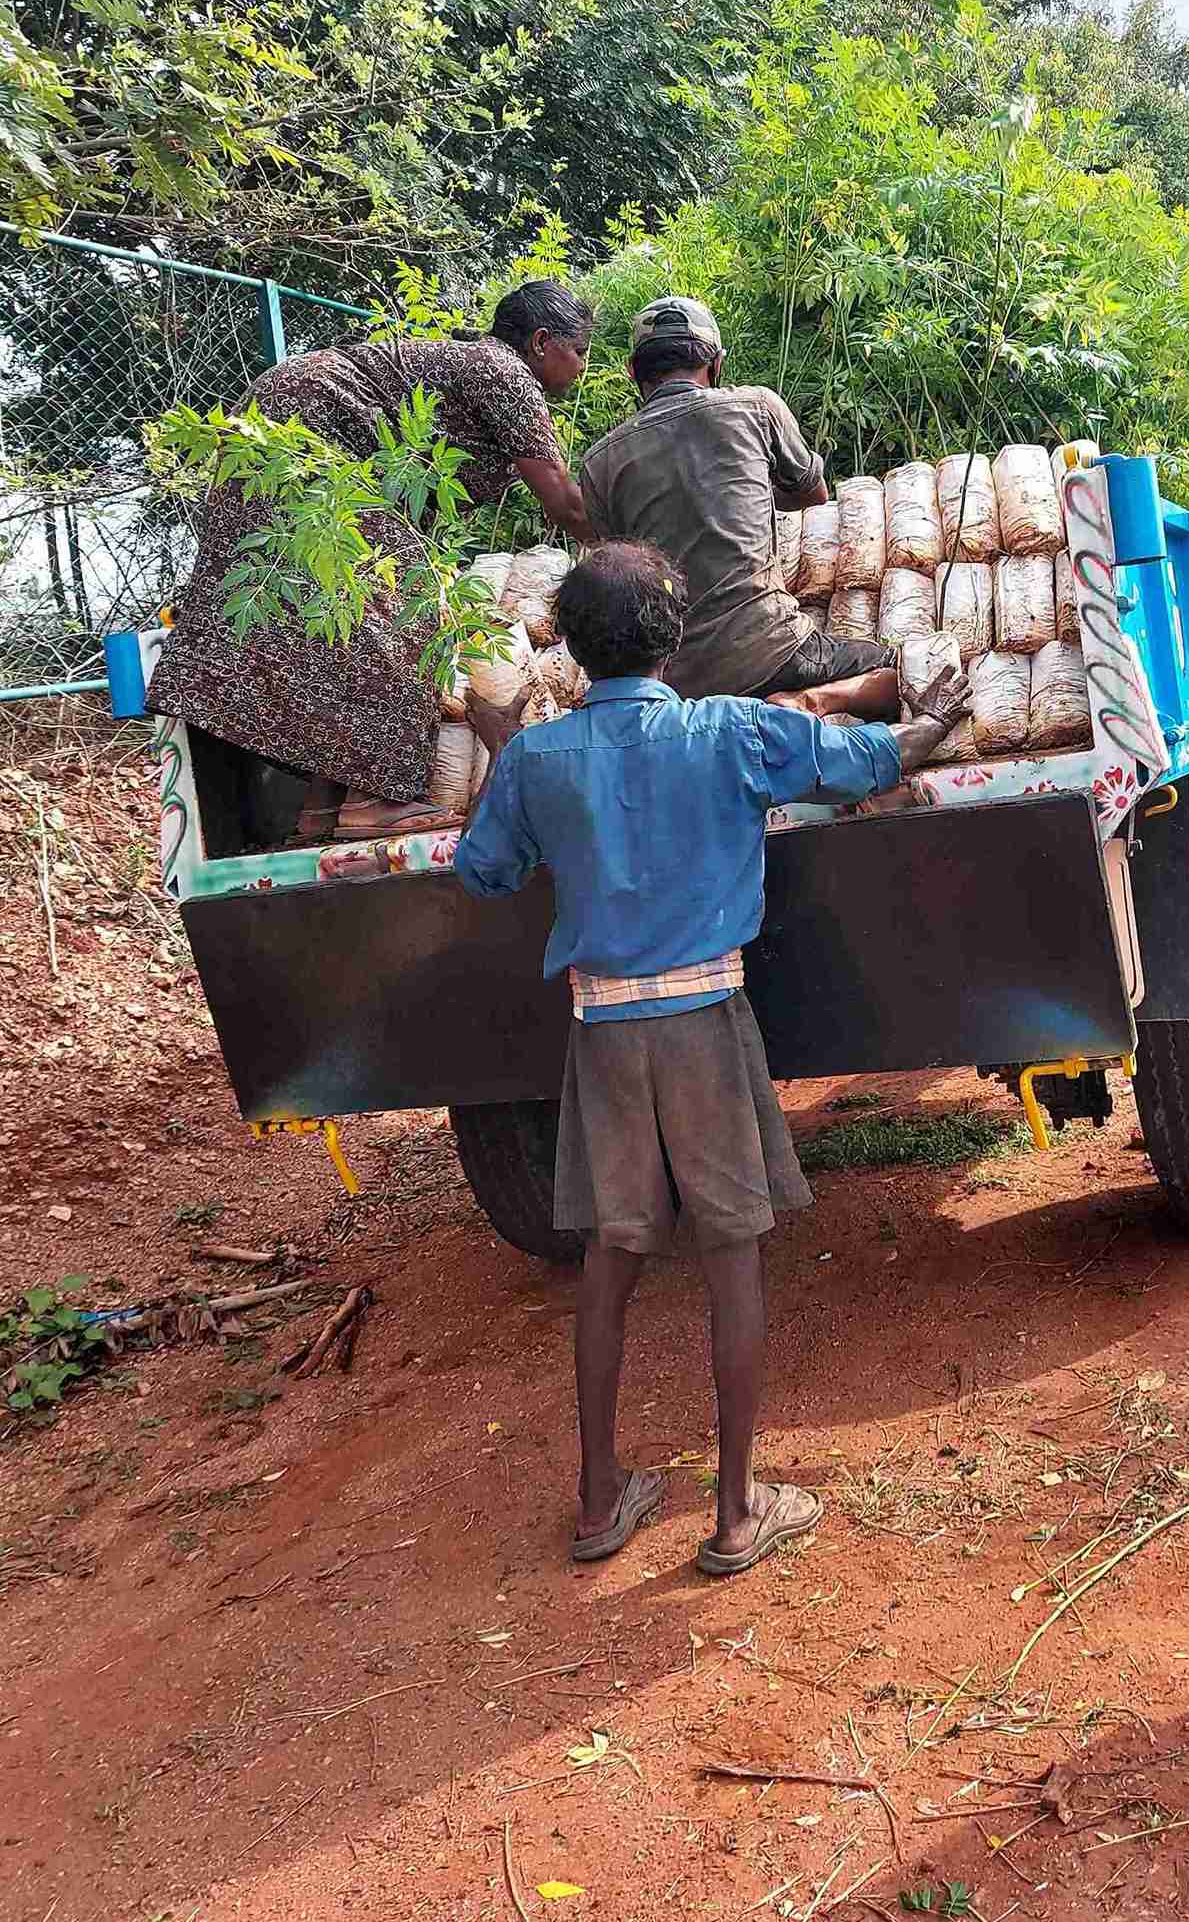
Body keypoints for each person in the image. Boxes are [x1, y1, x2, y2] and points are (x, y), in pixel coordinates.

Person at [453, 540, 971, 1574]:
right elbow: (859, 763)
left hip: (603, 1031)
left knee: (611, 1256)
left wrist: (512, 754)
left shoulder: (538, 759)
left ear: (572, 650)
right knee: (731, 1254)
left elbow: (483, 871)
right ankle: (737, 1512)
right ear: (675, 638)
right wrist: (929, 725)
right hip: (705, 1022)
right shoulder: (728, 729)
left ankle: (600, 1500)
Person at [149, 281, 596, 842]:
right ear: (541, 341)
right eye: (579, 351)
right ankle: (373, 802)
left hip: (285, 428)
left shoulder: (479, 368)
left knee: (344, 621)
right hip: (304, 437)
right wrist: (622, 557)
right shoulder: (504, 370)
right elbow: (563, 501)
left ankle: (322, 808)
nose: (581, 367)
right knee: (399, 610)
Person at [577, 296, 900, 717]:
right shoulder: (756, 407)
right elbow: (814, 495)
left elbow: (621, 567)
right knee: (896, 671)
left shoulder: (599, 462)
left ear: (633, 372)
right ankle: (813, 701)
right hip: (773, 650)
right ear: (716, 363)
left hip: (676, 680)